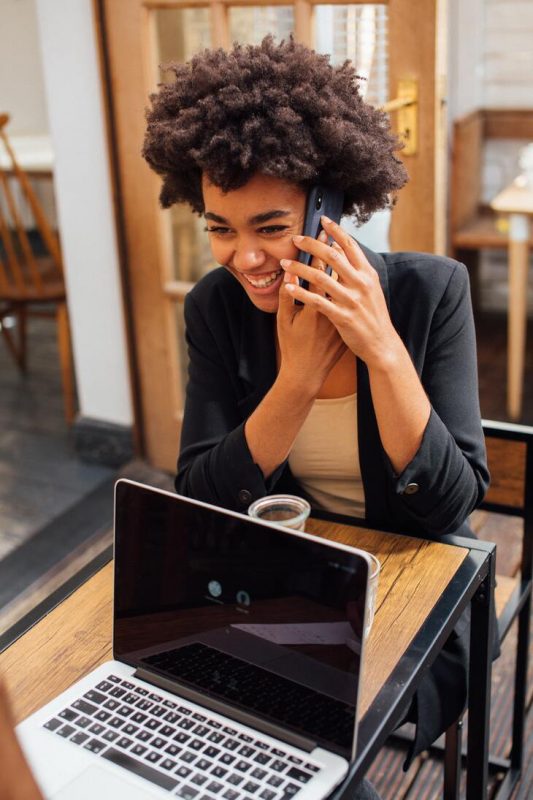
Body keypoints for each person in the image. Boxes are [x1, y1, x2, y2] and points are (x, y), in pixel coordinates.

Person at [143, 36, 490, 786]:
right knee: (185, 695)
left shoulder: (431, 294)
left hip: (415, 586)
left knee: (305, 726)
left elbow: (451, 505)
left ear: (331, 203)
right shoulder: (217, 310)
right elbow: (201, 494)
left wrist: (383, 352)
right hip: (284, 584)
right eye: (219, 229)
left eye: (270, 227)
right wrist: (295, 381)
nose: (245, 259)